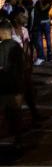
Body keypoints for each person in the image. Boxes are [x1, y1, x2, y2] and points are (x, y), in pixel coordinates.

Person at [0, 21, 25, 149]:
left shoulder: (1, 47)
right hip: (17, 85)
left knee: (3, 113)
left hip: (3, 85)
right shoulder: (17, 46)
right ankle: (19, 139)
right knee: (17, 112)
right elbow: (23, 66)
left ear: (2, 32)